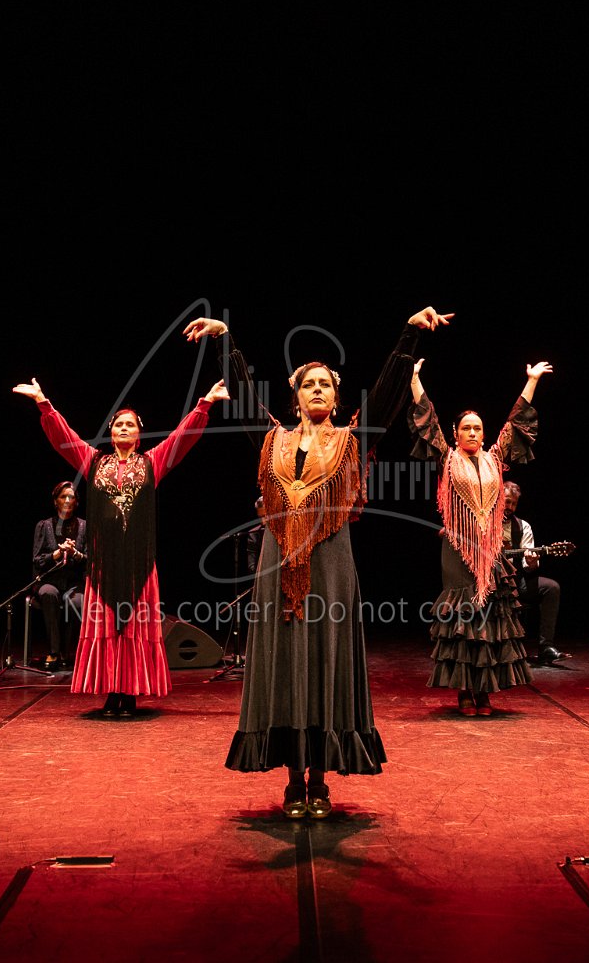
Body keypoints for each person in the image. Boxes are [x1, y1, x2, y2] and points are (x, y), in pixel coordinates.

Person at [184, 307, 450, 819]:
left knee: (326, 659)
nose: (318, 391)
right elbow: (243, 398)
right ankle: (291, 780)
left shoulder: (352, 440)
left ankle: (321, 780)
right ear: (296, 396)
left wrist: (410, 333)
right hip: (277, 565)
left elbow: (388, 394)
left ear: (336, 394)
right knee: (285, 663)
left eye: (325, 384)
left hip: (330, 566)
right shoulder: (273, 439)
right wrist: (224, 340)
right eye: (309, 385)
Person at [13, 377, 228, 716]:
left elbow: (181, 438)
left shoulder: (152, 463)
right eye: (118, 424)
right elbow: (65, 440)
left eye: (130, 424)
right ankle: (112, 692)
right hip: (104, 564)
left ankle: (129, 694)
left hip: (139, 563)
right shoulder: (94, 462)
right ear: (111, 432)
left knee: (133, 629)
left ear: (139, 434)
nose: (124, 428)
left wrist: (205, 404)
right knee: (106, 628)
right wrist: (44, 404)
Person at [409, 359, 550, 715]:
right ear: (455, 433)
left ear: (484, 435)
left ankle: (484, 690)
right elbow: (427, 423)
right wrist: (414, 380)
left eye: (477, 428)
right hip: (458, 550)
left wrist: (531, 381)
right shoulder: (447, 459)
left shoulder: (494, 459)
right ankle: (463, 691)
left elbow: (516, 424)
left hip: (491, 550)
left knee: (489, 618)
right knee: (464, 619)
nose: (472, 433)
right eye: (466, 428)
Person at [502, 481, 566, 666]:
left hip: (514, 582)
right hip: (487, 584)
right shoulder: (483, 524)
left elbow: (527, 566)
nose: (510, 507)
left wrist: (531, 562)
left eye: (514, 504)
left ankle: (546, 647)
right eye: (507, 502)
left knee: (551, 588)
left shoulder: (523, 527)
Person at [31, 481, 87, 670]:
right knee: (49, 594)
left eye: (71, 497)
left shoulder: (85, 526)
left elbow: (91, 561)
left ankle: (67, 652)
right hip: (49, 581)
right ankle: (54, 652)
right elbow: (37, 560)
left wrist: (75, 553)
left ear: (76, 502)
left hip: (74, 582)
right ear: (55, 501)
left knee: (76, 602)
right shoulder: (44, 526)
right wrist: (57, 553)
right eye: (63, 497)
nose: (67, 500)